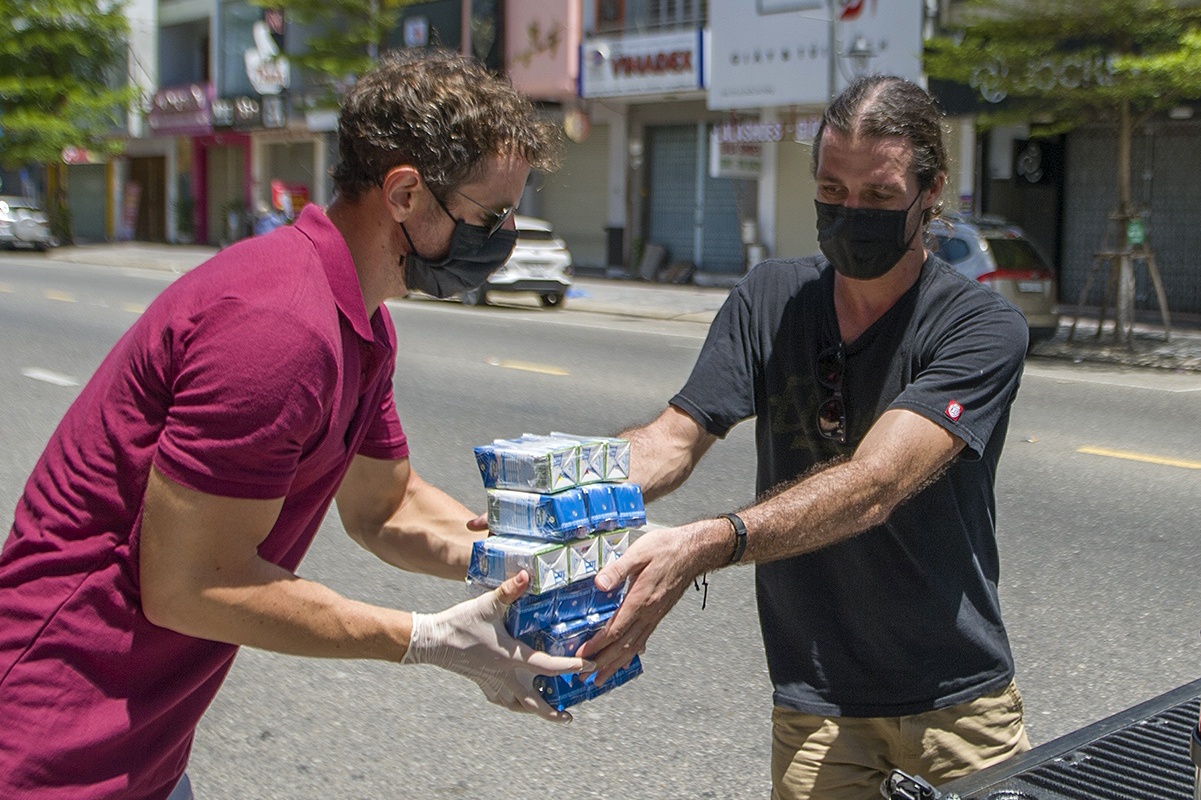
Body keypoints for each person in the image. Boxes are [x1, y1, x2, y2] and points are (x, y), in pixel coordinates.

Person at [0, 48, 591, 800]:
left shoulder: (360, 321)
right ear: (405, 193)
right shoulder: (278, 327)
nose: (502, 236)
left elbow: (386, 505)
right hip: (48, 742)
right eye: (487, 215)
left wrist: (529, 564)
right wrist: (428, 640)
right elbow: (189, 585)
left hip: (145, 748)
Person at [579, 75, 1032, 799]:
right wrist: (559, 493)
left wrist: (708, 541)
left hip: (954, 700)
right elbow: (671, 440)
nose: (851, 212)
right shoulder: (770, 298)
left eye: (879, 196)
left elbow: (874, 485)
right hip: (814, 699)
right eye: (832, 189)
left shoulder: (978, 327)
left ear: (930, 190)